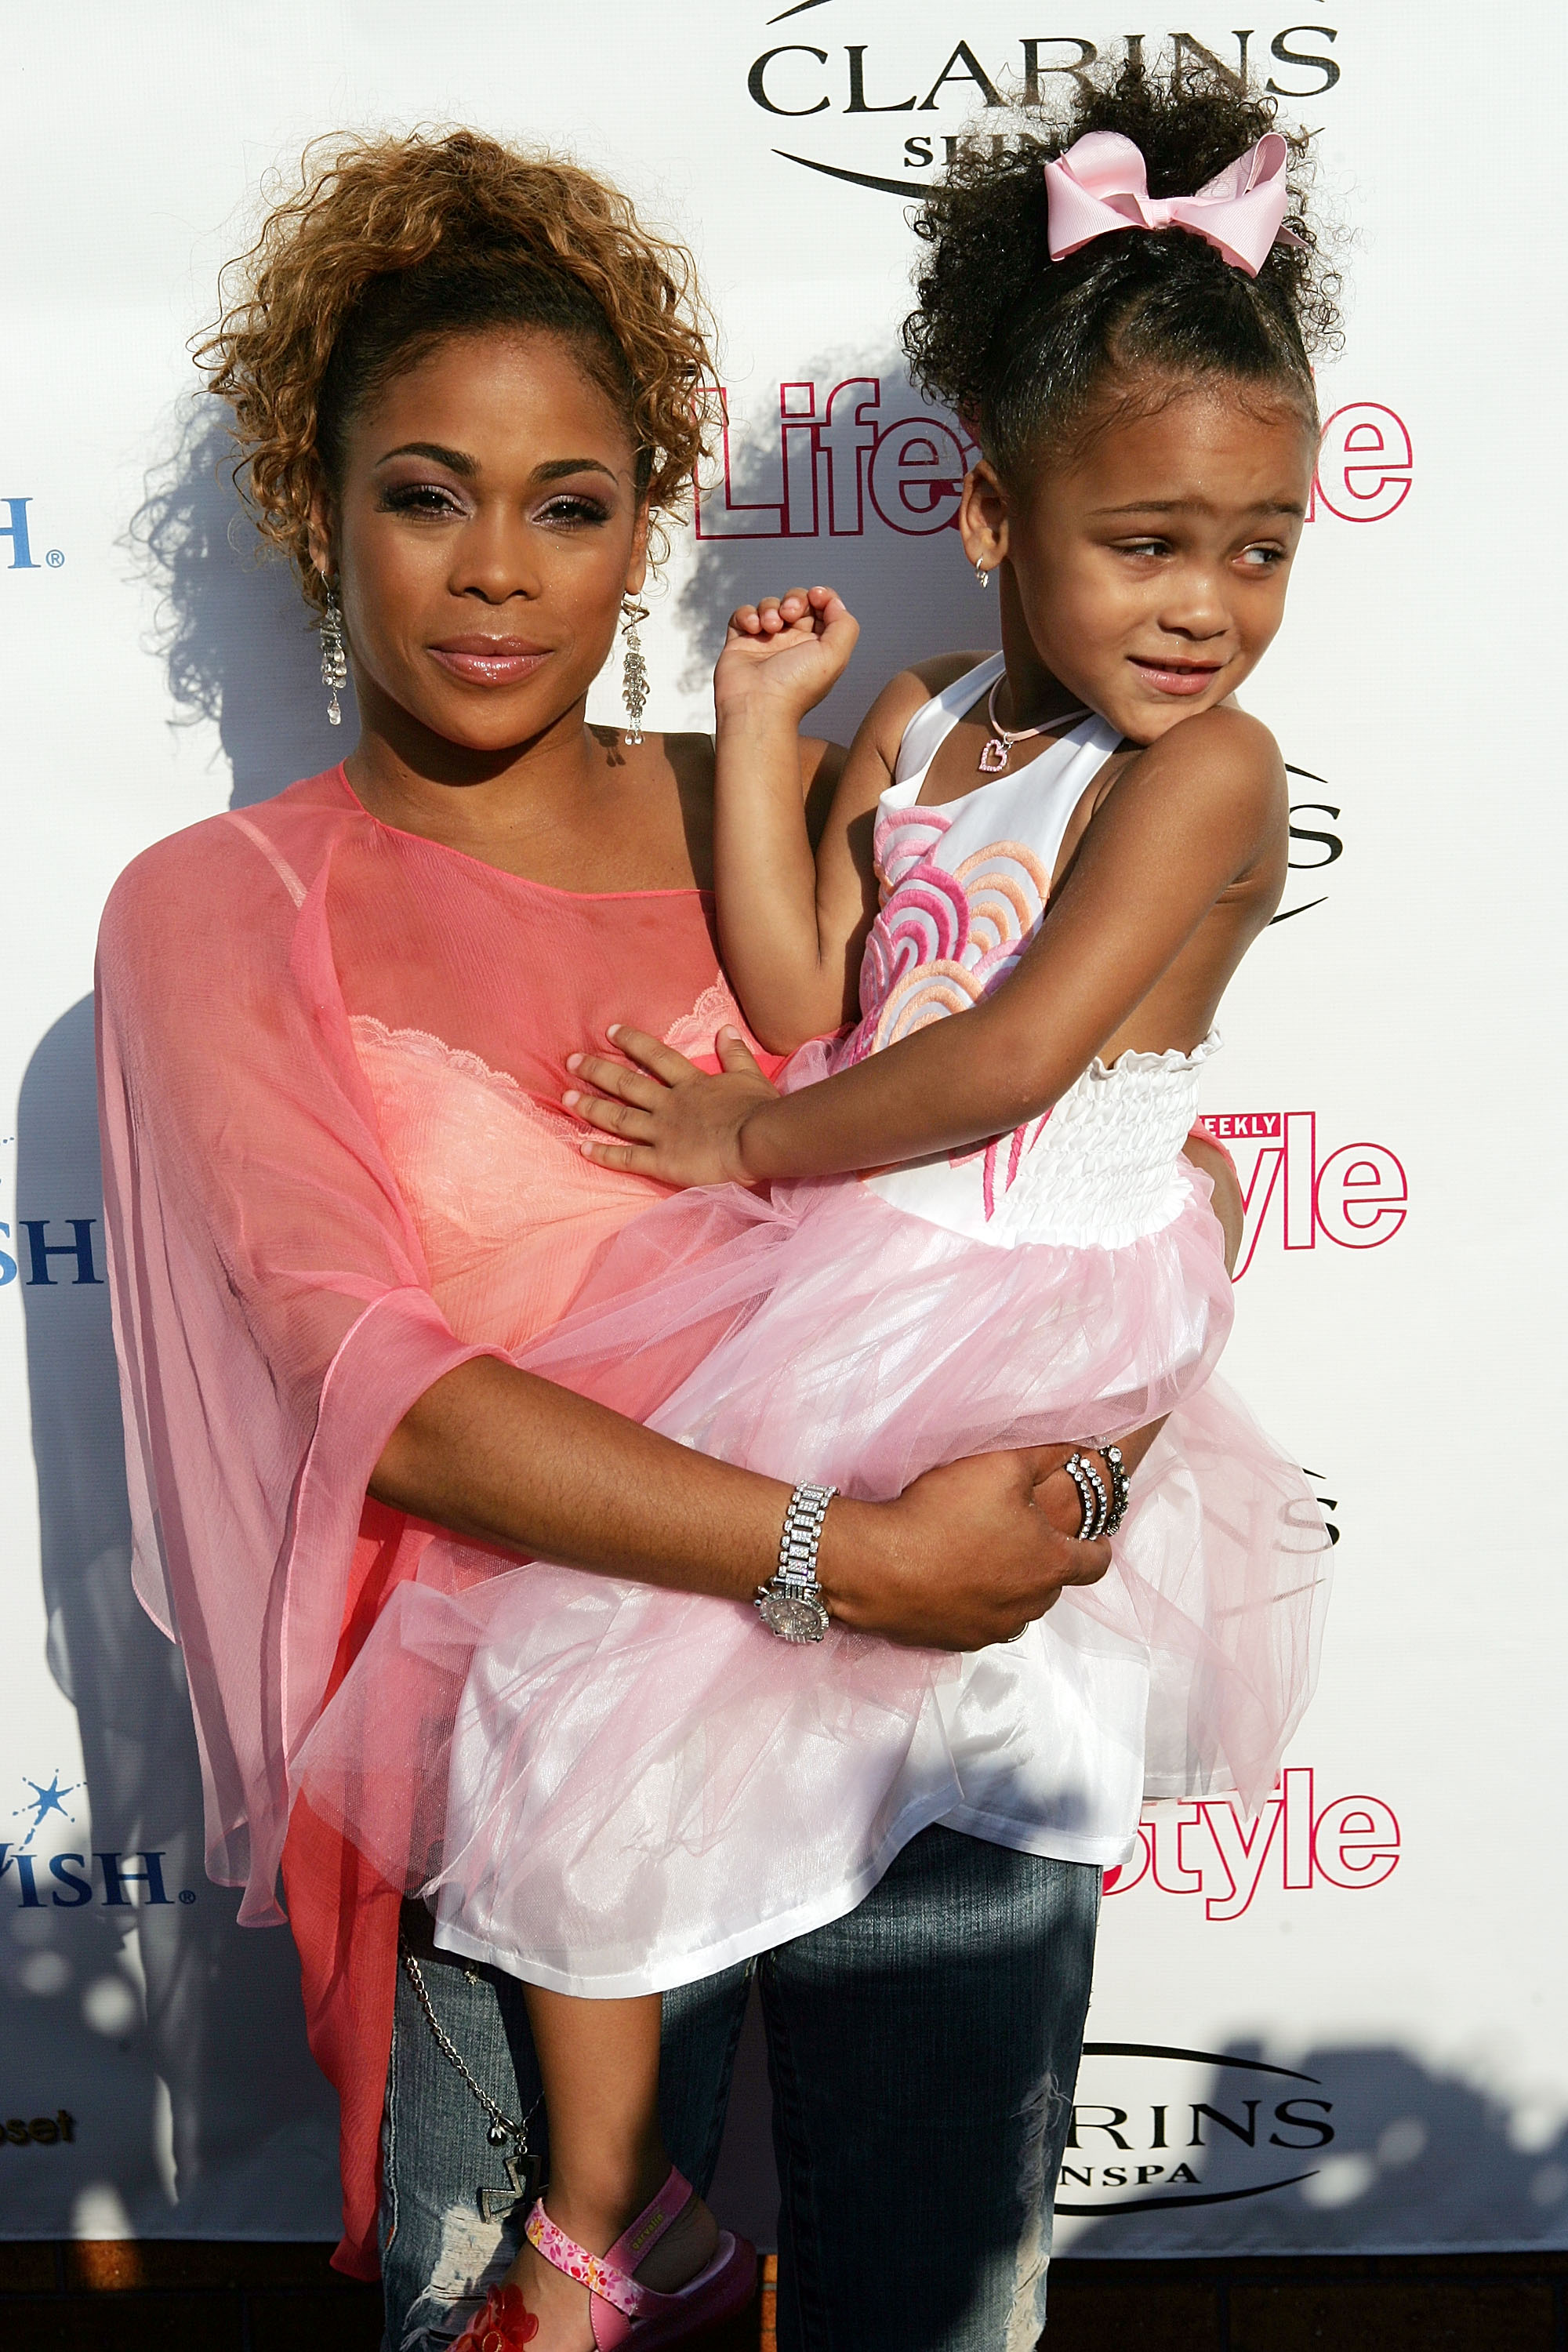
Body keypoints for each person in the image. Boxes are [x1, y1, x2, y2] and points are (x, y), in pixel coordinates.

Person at [95, 121, 1242, 2350]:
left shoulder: (787, 799)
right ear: (305, 511)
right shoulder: (221, 908)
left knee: (934, 2318)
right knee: (544, 2315)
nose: (497, 572)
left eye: (572, 502)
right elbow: (376, 1388)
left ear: (645, 527)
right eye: (425, 492)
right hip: (529, 1789)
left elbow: (1058, 1197)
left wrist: (1072, 1484)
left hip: (937, 1718)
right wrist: (838, 1548)